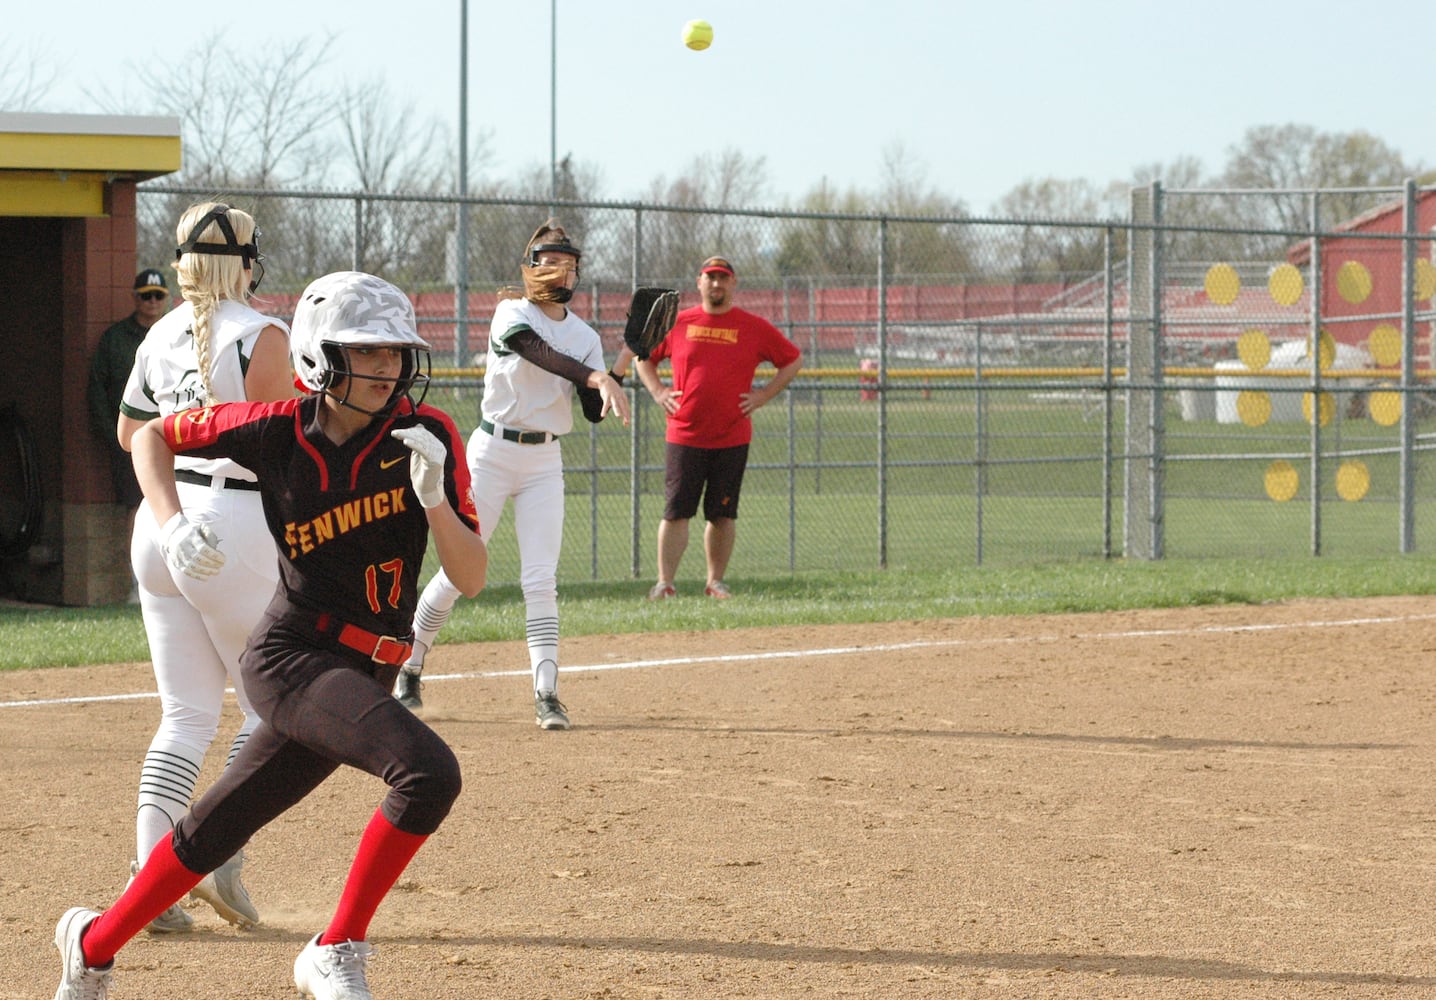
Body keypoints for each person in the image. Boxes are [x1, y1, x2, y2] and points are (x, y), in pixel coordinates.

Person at [53, 270, 487, 1000]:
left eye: (396, 353)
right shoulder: (275, 428)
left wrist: (437, 502)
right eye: (369, 352)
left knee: (214, 832)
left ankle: (90, 946)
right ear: (321, 356)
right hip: (293, 657)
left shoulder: (427, 434)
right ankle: (335, 946)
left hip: (366, 669)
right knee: (427, 773)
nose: (389, 368)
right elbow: (153, 436)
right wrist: (172, 522)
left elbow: (469, 577)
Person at [114, 203, 294, 933]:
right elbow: (287, 452)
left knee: (186, 715)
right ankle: (217, 854)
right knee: (269, 714)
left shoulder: (156, 332)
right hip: (233, 525)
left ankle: (148, 879)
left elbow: (131, 432)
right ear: (247, 264)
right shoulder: (261, 333)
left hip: (161, 522)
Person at [392, 219, 629, 729]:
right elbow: (536, 352)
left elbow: (591, 408)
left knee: (540, 578)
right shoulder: (511, 314)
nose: (561, 270)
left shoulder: (585, 337)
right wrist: (594, 373)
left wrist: (620, 365)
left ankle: (547, 694)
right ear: (530, 267)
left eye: (569, 263)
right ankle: (408, 666)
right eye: (550, 260)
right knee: (460, 572)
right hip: (491, 454)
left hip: (545, 460)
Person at [624, 255, 802, 600]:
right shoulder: (679, 322)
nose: (717, 284)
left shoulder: (752, 326)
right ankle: (665, 583)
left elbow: (793, 359)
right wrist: (658, 391)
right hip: (685, 433)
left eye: (723, 278)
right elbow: (642, 355)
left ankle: (715, 582)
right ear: (699, 282)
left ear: (733, 284)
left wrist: (764, 394)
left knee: (722, 513)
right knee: (676, 511)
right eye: (710, 278)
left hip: (731, 435)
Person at [87, 268, 172, 598]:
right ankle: (138, 586)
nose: (152, 302)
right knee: (137, 510)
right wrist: (117, 439)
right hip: (133, 444)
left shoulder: (174, 334)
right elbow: (97, 390)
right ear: (134, 298)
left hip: (173, 441)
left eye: (158, 295)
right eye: (146, 295)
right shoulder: (115, 338)